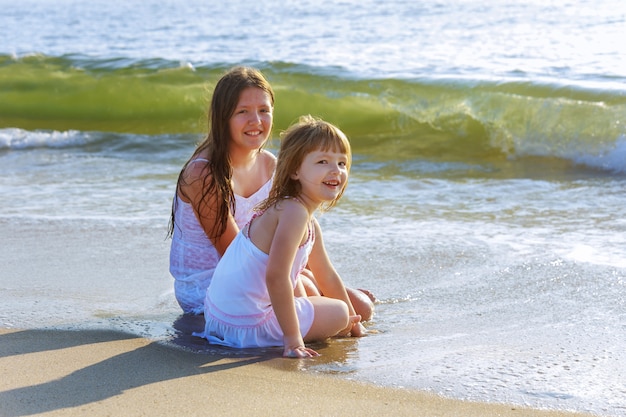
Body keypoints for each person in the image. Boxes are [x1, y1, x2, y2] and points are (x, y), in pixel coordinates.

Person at [168, 66, 374, 319]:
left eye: (264, 111)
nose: (256, 121)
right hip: (214, 290)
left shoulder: (270, 165)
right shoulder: (203, 174)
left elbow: (291, 231)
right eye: (243, 112)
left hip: (266, 270)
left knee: (361, 307)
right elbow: (236, 255)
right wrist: (300, 282)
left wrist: (320, 280)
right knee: (324, 302)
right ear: (223, 118)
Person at [195, 115, 365, 358]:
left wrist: (354, 323)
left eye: (341, 163)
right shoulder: (294, 213)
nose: (335, 170)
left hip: (221, 318)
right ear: (295, 170)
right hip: (246, 326)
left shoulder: (295, 213)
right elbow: (276, 276)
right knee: (338, 313)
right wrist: (293, 339)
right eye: (323, 161)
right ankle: (292, 333)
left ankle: (323, 322)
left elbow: (326, 275)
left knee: (328, 302)